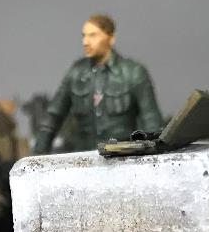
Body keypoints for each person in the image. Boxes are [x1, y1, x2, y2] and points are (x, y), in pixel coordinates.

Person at [32, 13, 163, 155]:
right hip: (84, 160)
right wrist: (37, 158)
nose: (85, 42)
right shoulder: (76, 73)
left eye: (93, 35)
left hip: (123, 158)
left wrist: (153, 157)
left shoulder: (134, 72)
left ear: (111, 38)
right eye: (84, 36)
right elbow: (52, 117)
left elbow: (151, 121)